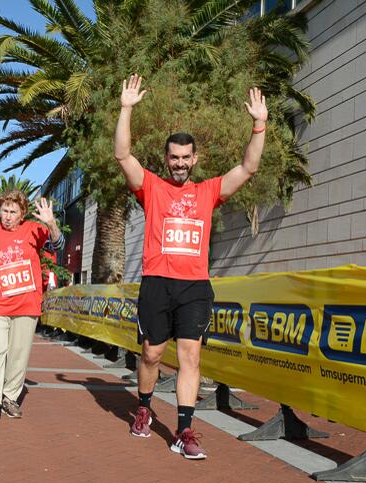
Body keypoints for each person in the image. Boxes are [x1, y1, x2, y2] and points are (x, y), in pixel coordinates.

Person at [114, 74, 267, 459]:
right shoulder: (151, 187)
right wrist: (126, 109)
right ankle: (145, 407)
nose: (180, 164)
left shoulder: (208, 191)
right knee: (151, 354)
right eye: (174, 158)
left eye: (186, 158)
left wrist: (259, 124)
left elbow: (248, 167)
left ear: (194, 159)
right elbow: (122, 156)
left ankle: (184, 430)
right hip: (156, 283)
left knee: (190, 356)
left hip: (195, 286)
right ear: (167, 159)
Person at [0, 191, 64, 426]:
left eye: (13, 212)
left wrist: (50, 222)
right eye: (4, 211)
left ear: (22, 214)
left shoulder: (34, 229)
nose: (8, 216)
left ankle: (10, 396)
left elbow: (58, 243)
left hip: (26, 303)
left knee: (18, 353)